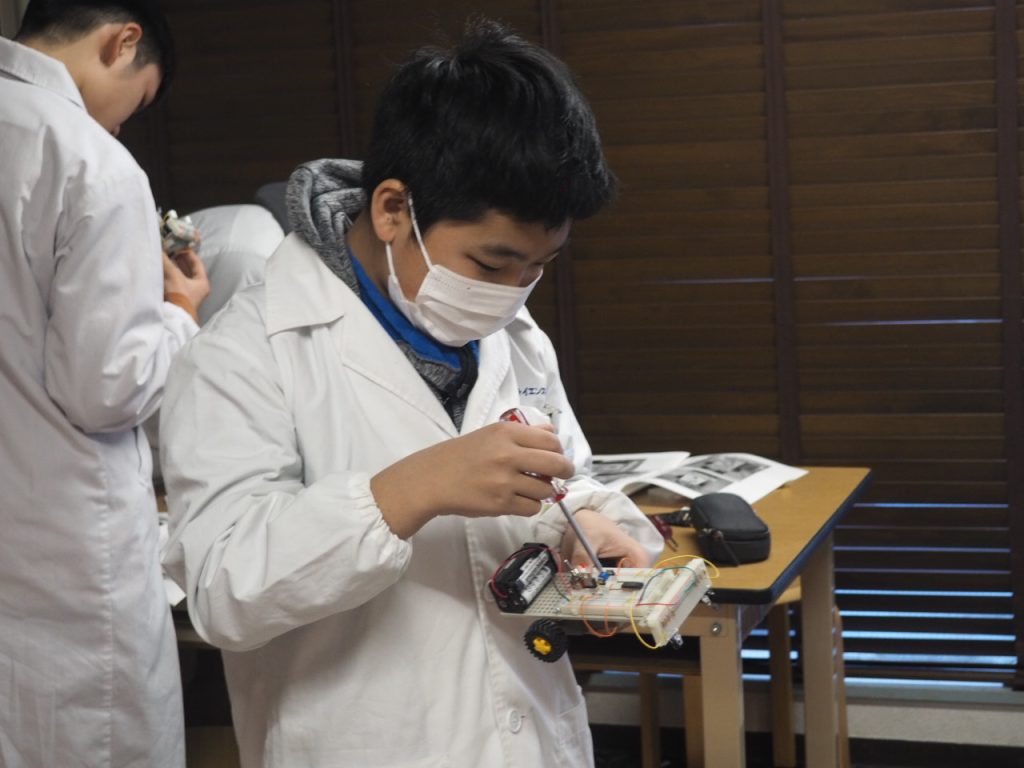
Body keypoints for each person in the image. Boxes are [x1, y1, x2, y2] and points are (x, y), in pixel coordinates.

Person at [160, 19, 662, 767]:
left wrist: (584, 523)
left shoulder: (510, 329)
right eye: (492, 265)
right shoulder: (246, 352)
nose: (514, 291)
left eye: (539, 266)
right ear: (394, 209)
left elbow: (562, 472)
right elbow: (222, 591)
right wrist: (406, 492)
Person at [0, 1, 208, 766]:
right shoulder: (88, 158)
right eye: (136, 103)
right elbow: (106, 389)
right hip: (63, 541)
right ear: (122, 43)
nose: (122, 124)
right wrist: (181, 315)